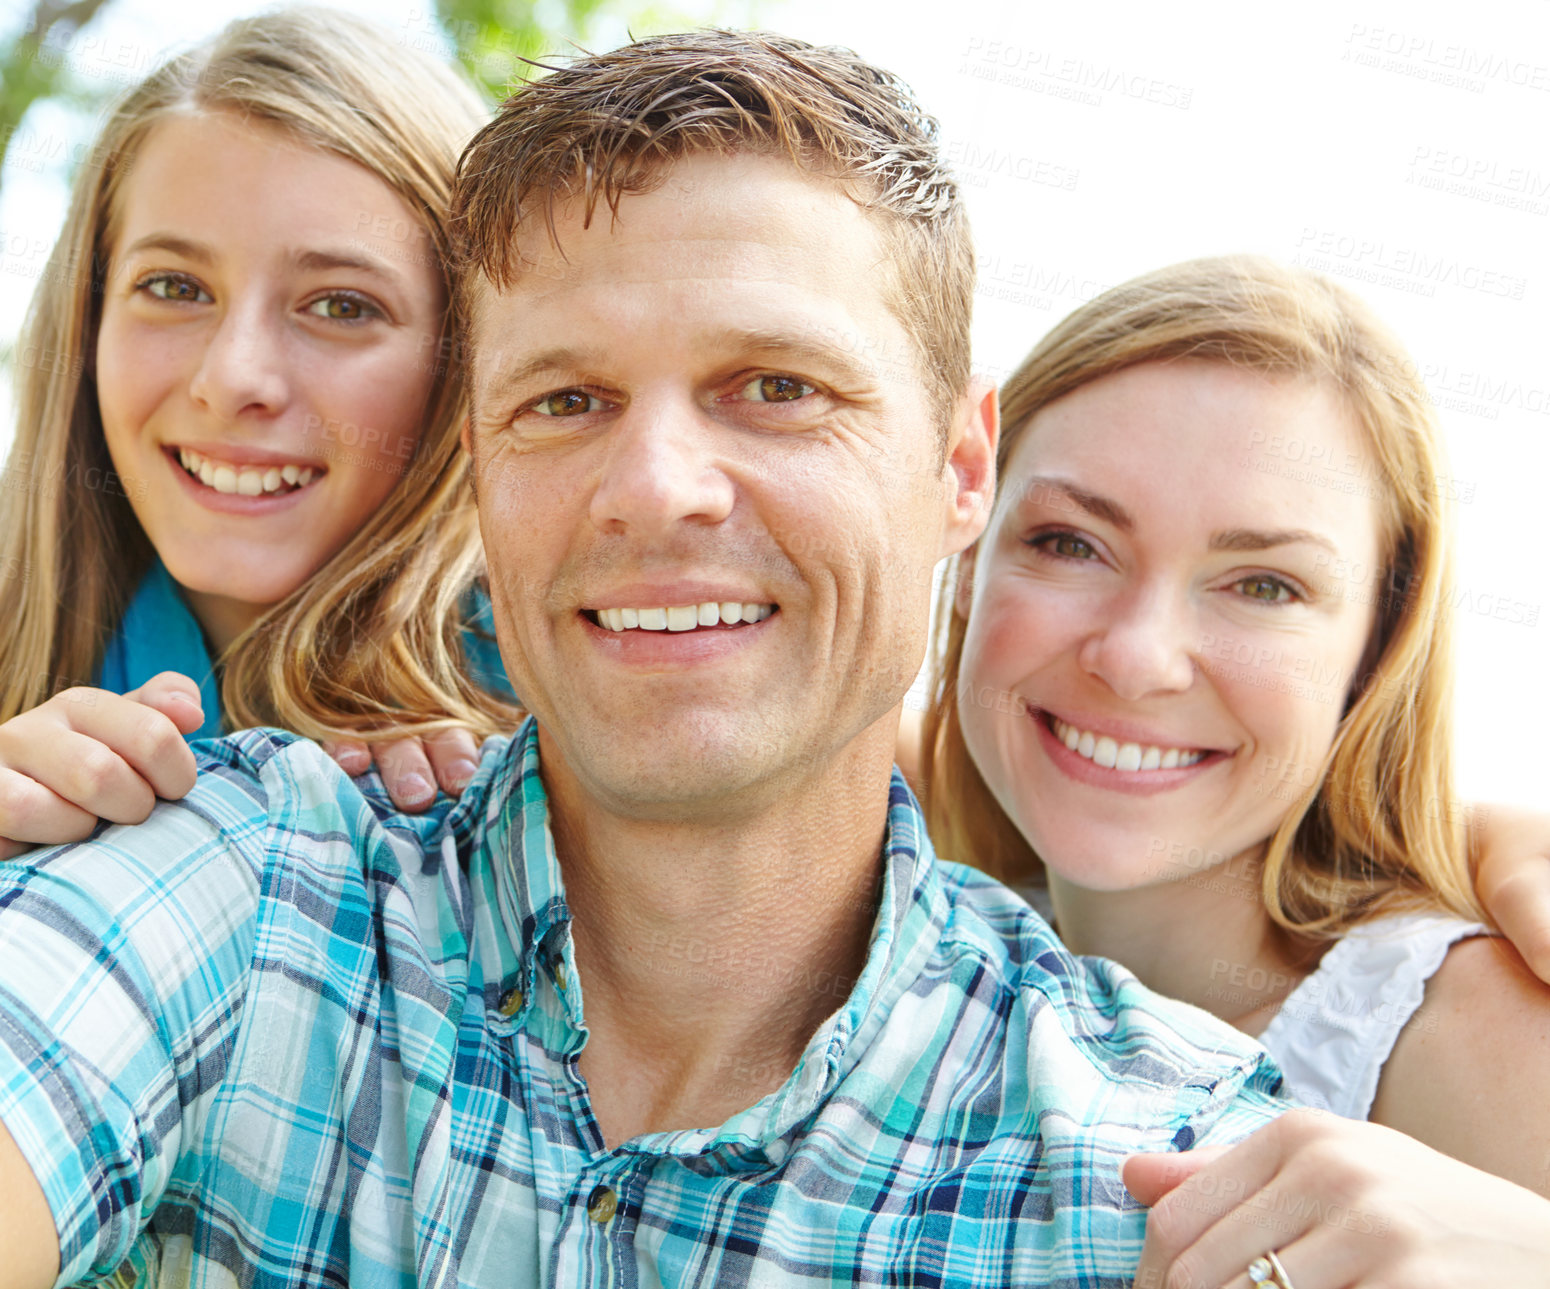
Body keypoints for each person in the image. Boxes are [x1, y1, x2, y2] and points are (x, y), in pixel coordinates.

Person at [0, 32, 1293, 1287]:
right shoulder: (229, 875)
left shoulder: (1159, 1168)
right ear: (482, 459)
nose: (656, 487)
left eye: (776, 386)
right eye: (566, 399)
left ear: (961, 466)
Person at [919, 255, 1550, 1282]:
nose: (1134, 656)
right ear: (963, 554)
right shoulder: (902, 886)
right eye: (1069, 542)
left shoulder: (1462, 1032)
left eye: (1260, 583)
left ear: (1373, 647)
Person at [0, 7, 518, 855]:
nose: (233, 378)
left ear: (465, 356)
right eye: (174, 287)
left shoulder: (567, 704)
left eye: (342, 305)